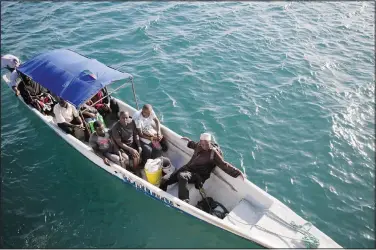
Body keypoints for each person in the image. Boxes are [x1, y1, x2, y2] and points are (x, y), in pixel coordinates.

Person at [160, 133, 244, 203]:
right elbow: (193, 145)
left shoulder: (213, 153)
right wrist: (188, 141)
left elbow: (224, 165)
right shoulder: (199, 145)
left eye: (207, 144)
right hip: (188, 168)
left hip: (198, 176)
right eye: (203, 144)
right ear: (200, 142)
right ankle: (160, 194)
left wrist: (237, 172)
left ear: (210, 142)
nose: (204, 146)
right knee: (165, 180)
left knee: (182, 176)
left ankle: (184, 200)